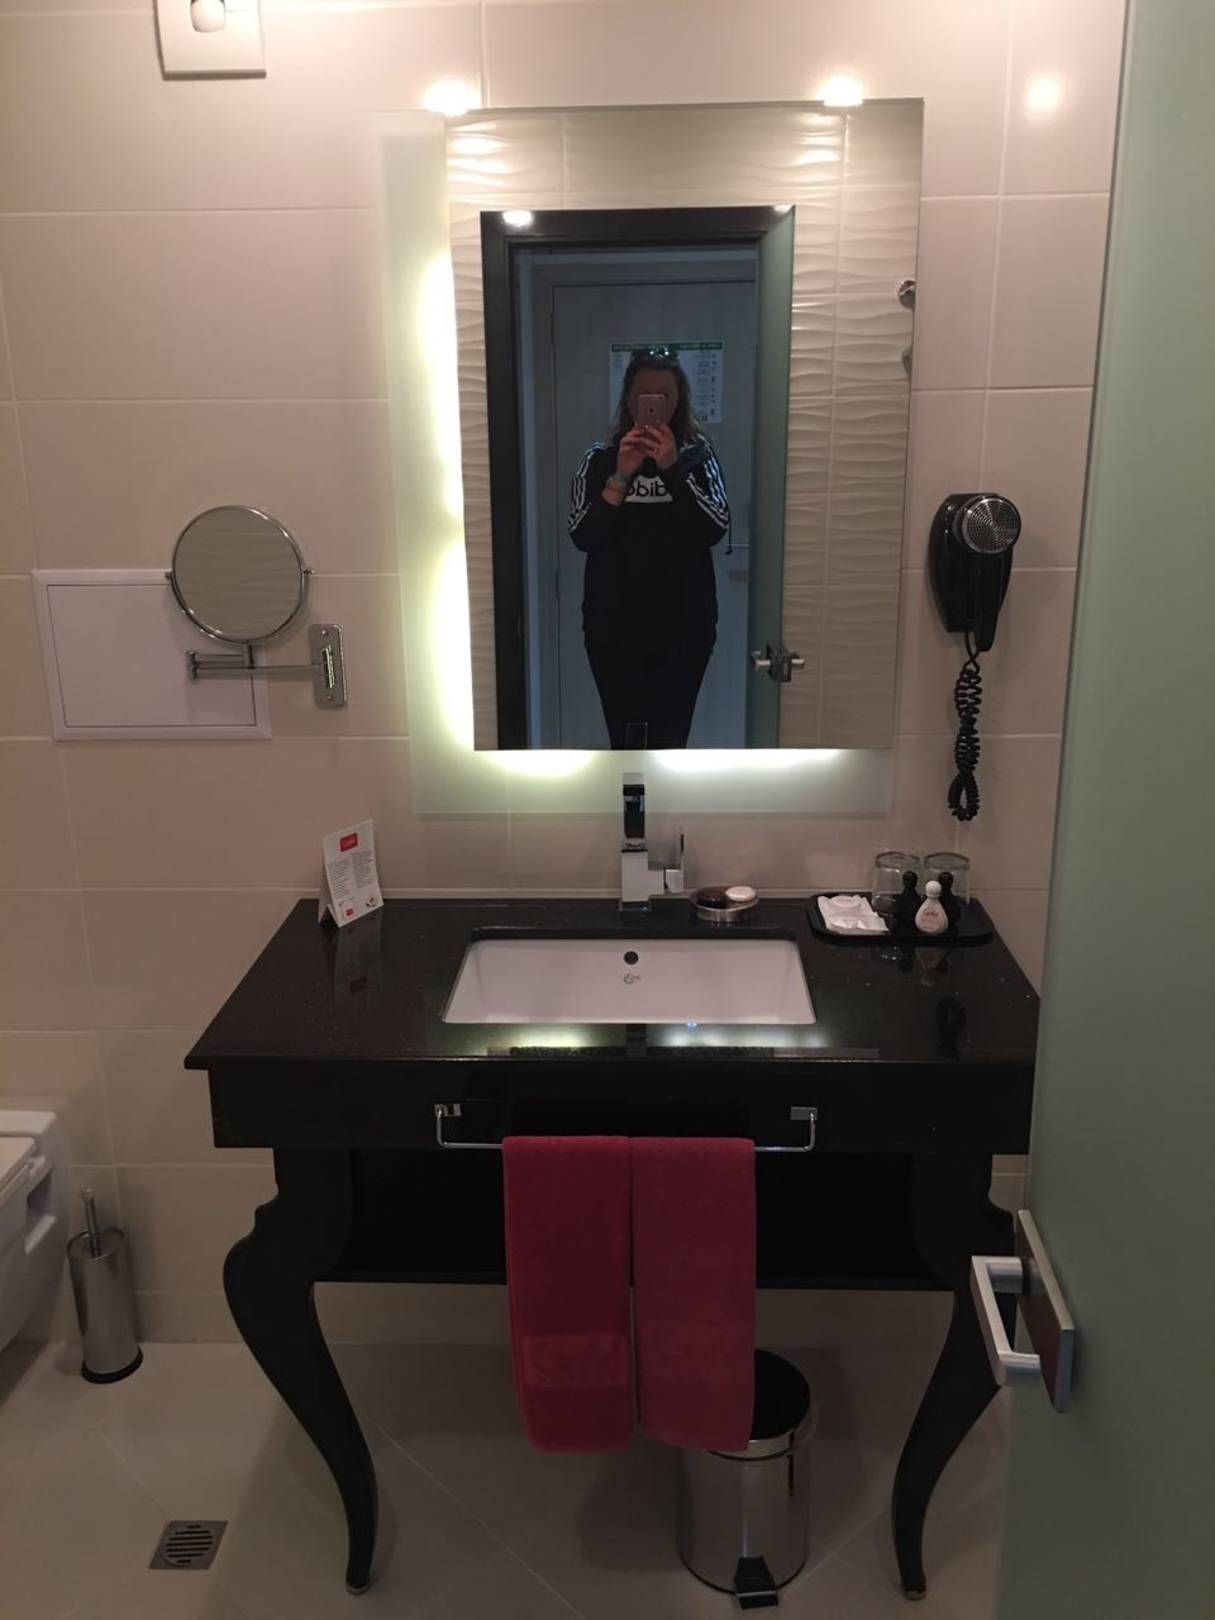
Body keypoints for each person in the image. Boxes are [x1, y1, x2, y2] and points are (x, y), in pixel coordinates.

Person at [568, 347, 730, 748]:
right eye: (644, 395)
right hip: (612, 635)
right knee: (623, 744)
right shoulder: (599, 460)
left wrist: (673, 469)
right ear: (629, 401)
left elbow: (715, 527)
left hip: (685, 635)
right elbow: (582, 535)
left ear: (677, 402)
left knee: (671, 743)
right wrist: (622, 475)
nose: (654, 404)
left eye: (664, 395)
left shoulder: (698, 458)